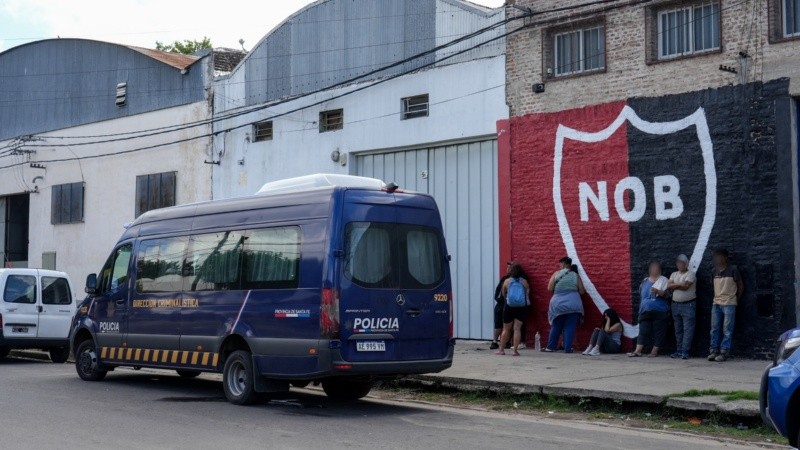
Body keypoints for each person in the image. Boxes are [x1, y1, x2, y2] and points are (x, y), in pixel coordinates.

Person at [708, 249, 743, 362]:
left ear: (725, 257)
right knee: (714, 328)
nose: (717, 259)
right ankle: (713, 351)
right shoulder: (714, 271)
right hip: (716, 302)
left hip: (729, 303)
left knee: (727, 329)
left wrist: (735, 299)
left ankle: (724, 352)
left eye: (719, 256)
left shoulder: (733, 270)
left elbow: (740, 286)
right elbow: (713, 287)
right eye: (716, 256)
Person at [628, 261, 669, 358]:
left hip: (660, 311)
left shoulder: (664, 280)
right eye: (652, 267)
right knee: (643, 330)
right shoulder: (644, 281)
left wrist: (658, 291)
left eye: (656, 267)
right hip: (645, 310)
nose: (654, 269)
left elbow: (669, 295)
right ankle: (638, 351)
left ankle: (654, 351)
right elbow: (641, 296)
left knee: (659, 331)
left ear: (660, 269)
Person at [544, 257, 584, 353]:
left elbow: (549, 288)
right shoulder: (575, 275)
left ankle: (551, 347)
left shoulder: (556, 274)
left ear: (564, 264)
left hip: (558, 304)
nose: (560, 266)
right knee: (570, 327)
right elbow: (582, 291)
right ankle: (567, 348)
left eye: (560, 264)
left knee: (556, 325)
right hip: (574, 303)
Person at [490, 262, 528, 350]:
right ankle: (515, 350)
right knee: (517, 329)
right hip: (521, 306)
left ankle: (501, 350)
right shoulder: (524, 281)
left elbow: (503, 294)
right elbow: (527, 292)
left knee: (506, 329)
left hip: (509, 306)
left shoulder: (507, 281)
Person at [668, 254, 697, 359]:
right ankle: (679, 350)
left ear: (686, 264)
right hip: (675, 305)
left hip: (688, 305)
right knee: (678, 329)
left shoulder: (691, 274)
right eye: (678, 263)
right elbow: (668, 286)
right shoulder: (673, 274)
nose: (680, 265)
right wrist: (680, 284)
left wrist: (675, 285)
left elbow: (686, 287)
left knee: (688, 329)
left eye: (682, 263)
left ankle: (685, 351)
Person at [490, 262, 513, 350]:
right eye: (507, 267)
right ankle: (498, 341)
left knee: (503, 324)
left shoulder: (507, 279)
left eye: (510, 268)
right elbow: (498, 292)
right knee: (501, 324)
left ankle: (499, 342)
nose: (508, 269)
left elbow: (499, 293)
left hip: (505, 305)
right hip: (504, 305)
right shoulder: (506, 279)